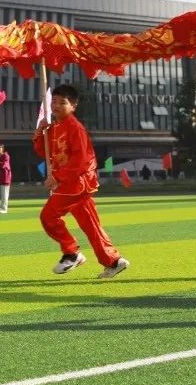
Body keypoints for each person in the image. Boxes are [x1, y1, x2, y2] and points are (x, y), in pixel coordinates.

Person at [33, 84, 129, 279]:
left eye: (63, 102)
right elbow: (44, 152)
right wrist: (40, 133)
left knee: (49, 217)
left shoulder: (75, 128)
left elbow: (82, 160)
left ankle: (71, 252)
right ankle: (113, 261)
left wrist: (56, 177)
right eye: (54, 102)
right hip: (72, 183)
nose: (56, 106)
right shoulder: (54, 127)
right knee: (91, 225)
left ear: (73, 105)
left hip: (74, 183)